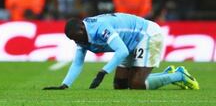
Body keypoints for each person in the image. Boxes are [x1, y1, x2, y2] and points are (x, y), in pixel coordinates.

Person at [43, 13, 199, 90]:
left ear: (82, 28)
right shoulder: (80, 36)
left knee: (137, 84)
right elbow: (77, 63)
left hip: (146, 35)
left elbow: (122, 51)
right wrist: (64, 85)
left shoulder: (99, 28)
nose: (77, 41)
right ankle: (167, 73)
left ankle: (179, 75)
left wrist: (104, 71)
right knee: (121, 85)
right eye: (72, 39)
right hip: (128, 41)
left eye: (77, 37)